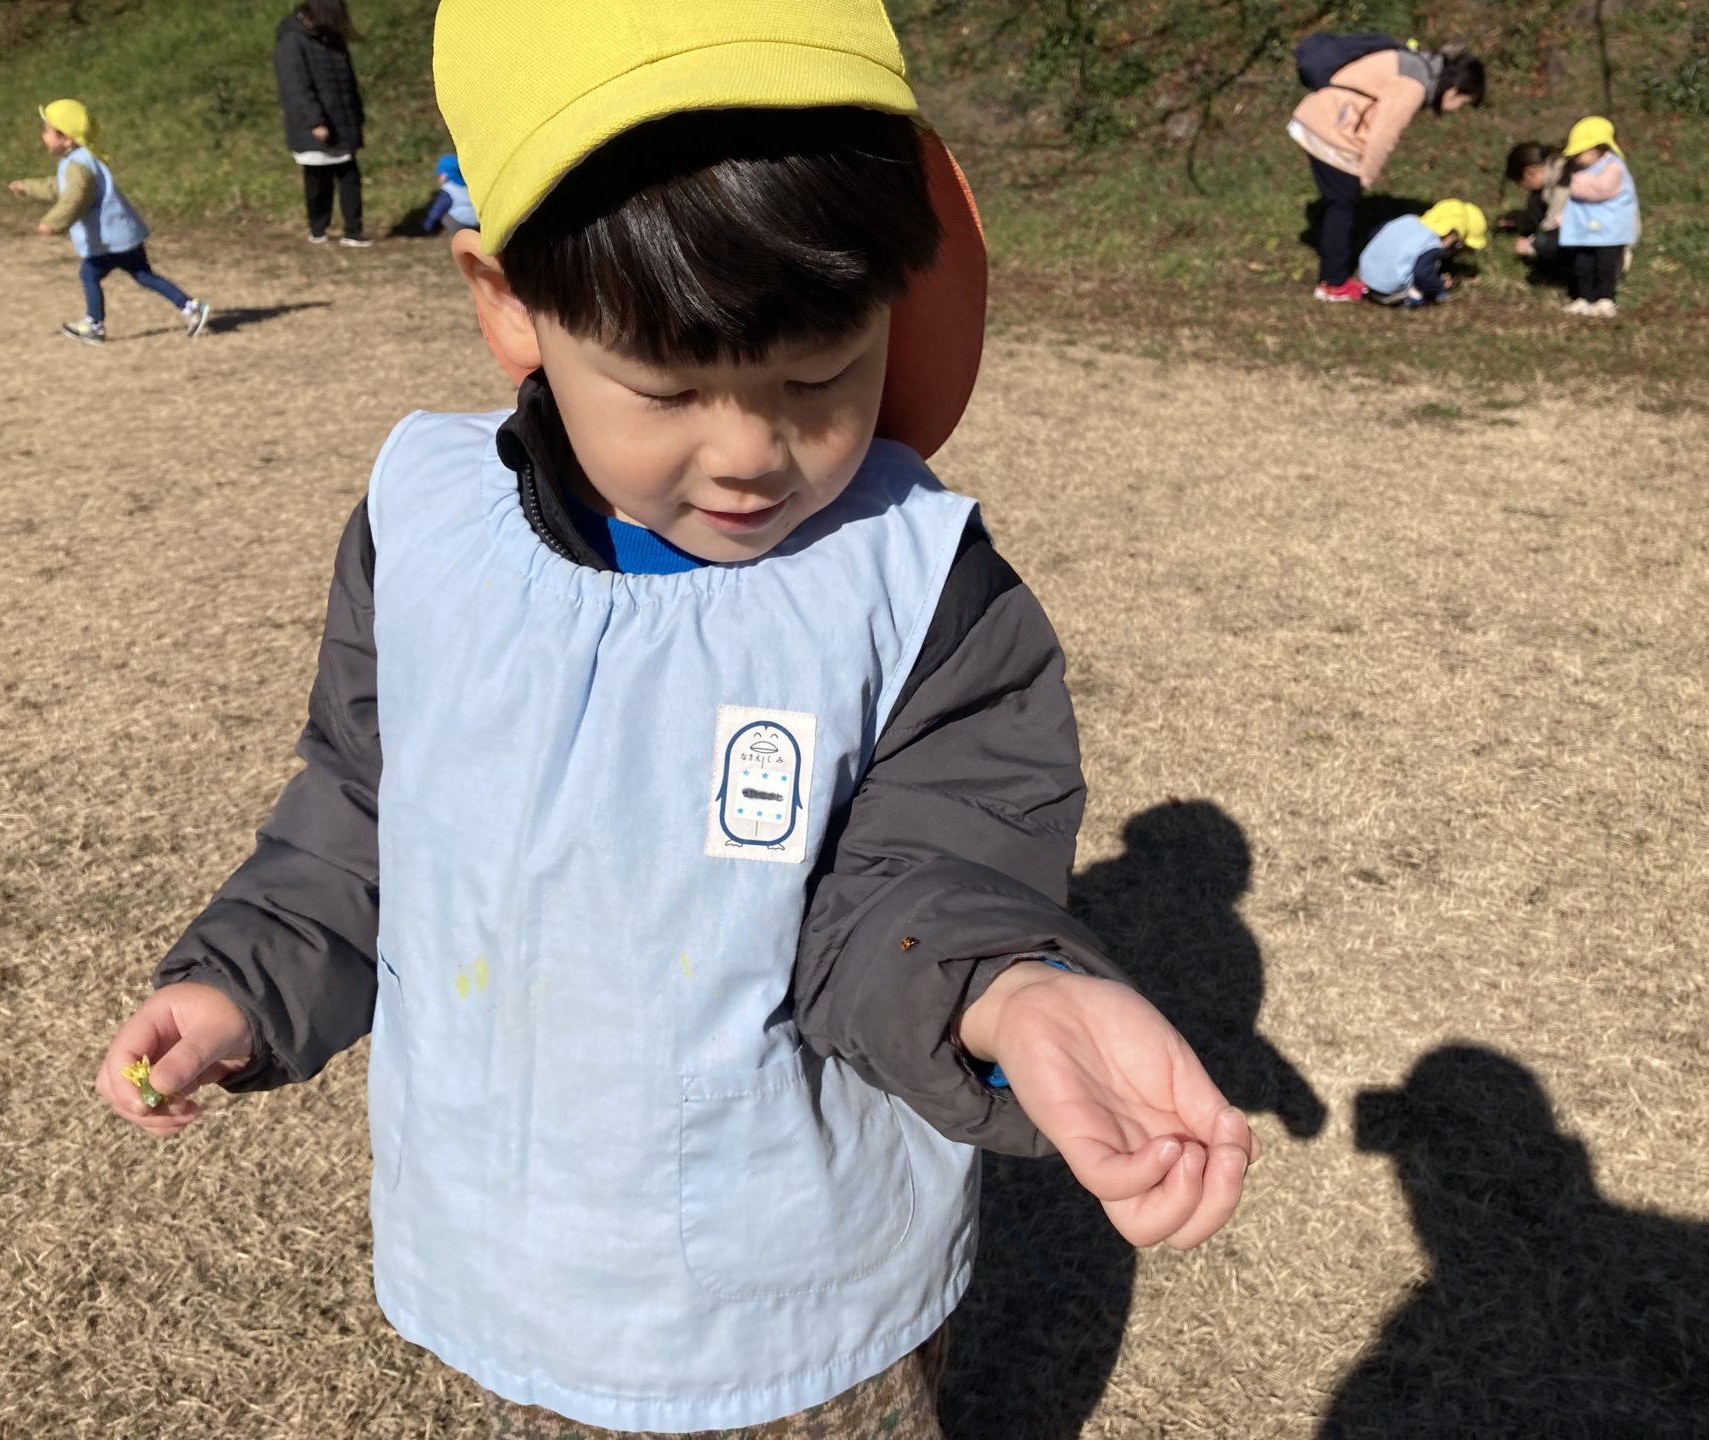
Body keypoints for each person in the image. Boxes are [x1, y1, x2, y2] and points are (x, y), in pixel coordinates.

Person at [94, 2, 1258, 1437]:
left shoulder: (917, 587)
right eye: (667, 386)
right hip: (509, 1271)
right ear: (508, 301)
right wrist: (247, 978)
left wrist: (1011, 989)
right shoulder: (425, 533)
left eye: (820, 373)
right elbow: (368, 807)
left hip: (802, 1308)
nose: (753, 451)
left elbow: (927, 876)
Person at [1287, 33, 1486, 302]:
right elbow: (1384, 134)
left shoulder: (1416, 67)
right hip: (1332, 127)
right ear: (1454, 89)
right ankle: (1332, 284)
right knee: (1343, 204)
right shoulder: (1414, 84)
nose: (1458, 109)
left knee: (1340, 202)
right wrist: (1365, 176)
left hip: (1323, 116)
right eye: (1463, 103)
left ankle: (1333, 272)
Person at [6, 99, 210, 345]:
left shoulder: (77, 165)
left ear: (66, 139)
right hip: (122, 233)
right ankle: (191, 306)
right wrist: (28, 187)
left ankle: (94, 325)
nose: (43, 136)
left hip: (108, 238)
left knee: (89, 275)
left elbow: (74, 197)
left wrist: (52, 223)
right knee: (144, 275)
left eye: (47, 131)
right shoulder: (82, 159)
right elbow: (60, 187)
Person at [273, 0, 369, 246]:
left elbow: (347, 82)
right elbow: (296, 87)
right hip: (314, 126)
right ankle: (318, 229)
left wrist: (356, 116)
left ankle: (353, 231)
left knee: (349, 175)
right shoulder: (292, 41)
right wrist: (315, 121)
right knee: (318, 179)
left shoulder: (332, 38)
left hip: (343, 120)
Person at [1559, 116, 1640, 319]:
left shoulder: (1613, 167)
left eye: (1580, 152)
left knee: (1605, 265)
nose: (1576, 157)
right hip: (1585, 229)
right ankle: (1584, 297)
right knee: (1583, 264)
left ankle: (1605, 298)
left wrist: (1573, 182)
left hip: (1609, 230)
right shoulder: (1581, 169)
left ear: (1598, 148)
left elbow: (1599, 190)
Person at [1357, 198, 1487, 306]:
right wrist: (1439, 288)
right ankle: (1412, 300)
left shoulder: (1408, 220)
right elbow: (1422, 274)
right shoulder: (1432, 245)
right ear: (1454, 238)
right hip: (1386, 292)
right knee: (1423, 284)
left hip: (1366, 279)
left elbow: (1374, 234)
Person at [1499, 140, 1569, 279]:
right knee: (1535, 199)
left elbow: (1553, 221)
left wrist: (1531, 245)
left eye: (1523, 184)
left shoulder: (1562, 183)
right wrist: (1520, 220)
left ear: (1529, 174)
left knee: (1544, 242)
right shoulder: (1553, 169)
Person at [421, 152, 477, 235]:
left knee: (445, 214)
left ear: (444, 176)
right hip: (476, 222)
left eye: (439, 175)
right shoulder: (466, 186)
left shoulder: (447, 191)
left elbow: (437, 210)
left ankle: (455, 235)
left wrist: (427, 225)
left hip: (461, 224)